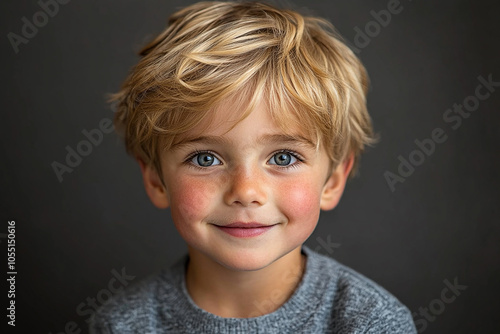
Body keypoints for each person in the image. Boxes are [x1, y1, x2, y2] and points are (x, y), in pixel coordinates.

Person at [91, 1, 417, 333]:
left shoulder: (372, 323)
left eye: (283, 158)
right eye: (206, 159)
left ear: (332, 181)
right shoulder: (122, 325)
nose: (245, 192)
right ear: (156, 180)